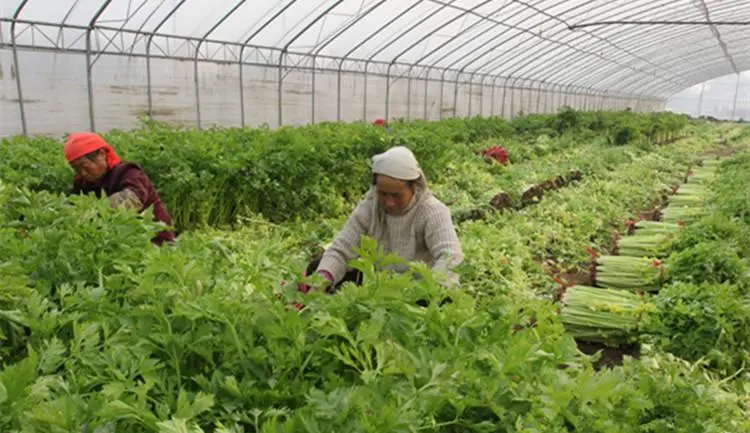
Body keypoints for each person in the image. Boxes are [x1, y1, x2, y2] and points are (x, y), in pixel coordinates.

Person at [300, 146, 463, 294]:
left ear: (414, 187)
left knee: (443, 297)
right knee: (318, 266)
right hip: (378, 284)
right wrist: (320, 282)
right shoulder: (370, 208)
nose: (389, 202)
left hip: (416, 289)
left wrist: (428, 289)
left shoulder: (432, 211)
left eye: (397, 195)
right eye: (383, 194)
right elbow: (341, 249)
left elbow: (450, 255)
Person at [64, 132, 176, 246]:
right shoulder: (82, 182)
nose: (82, 173)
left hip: (156, 242)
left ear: (102, 154)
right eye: (76, 168)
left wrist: (95, 213)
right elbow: (72, 206)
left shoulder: (128, 172)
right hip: (120, 243)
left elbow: (133, 198)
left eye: (85, 165)